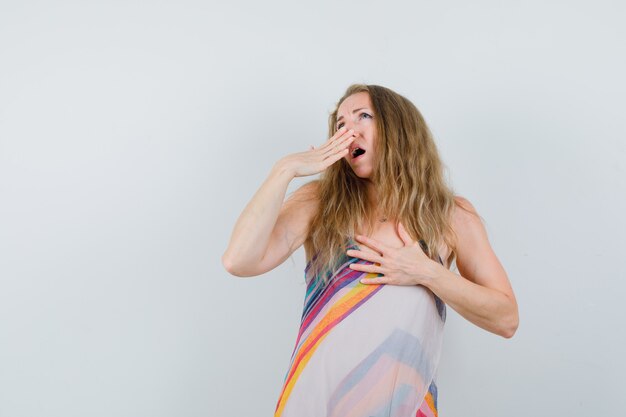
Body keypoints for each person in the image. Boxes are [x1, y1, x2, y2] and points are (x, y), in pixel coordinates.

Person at [222, 84, 519, 417]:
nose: (349, 130)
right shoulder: (319, 203)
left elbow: (506, 319)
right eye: (340, 124)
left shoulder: (452, 216)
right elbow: (239, 260)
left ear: (398, 129)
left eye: (363, 116)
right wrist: (284, 170)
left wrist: (427, 272)